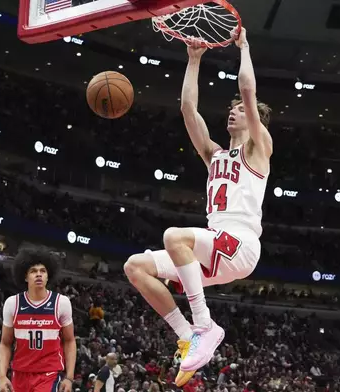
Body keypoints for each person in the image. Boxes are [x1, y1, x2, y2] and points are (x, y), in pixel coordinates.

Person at [124, 26, 272, 387]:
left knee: (175, 236)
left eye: (239, 110)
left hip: (240, 243)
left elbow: (249, 91)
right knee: (136, 267)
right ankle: (189, 333)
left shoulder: (259, 149)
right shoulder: (214, 155)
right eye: (232, 110)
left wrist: (244, 47)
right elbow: (188, 108)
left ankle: (205, 325)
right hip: (214, 246)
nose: (233, 113)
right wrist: (193, 60)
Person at [0, 249, 76, 392]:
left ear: (48, 276)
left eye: (43, 271)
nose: (39, 274)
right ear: (26, 276)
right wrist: (2, 376)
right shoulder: (13, 303)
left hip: (48, 374)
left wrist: (69, 377)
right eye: (33, 271)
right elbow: (5, 343)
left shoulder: (61, 303)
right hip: (20, 374)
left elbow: (69, 341)